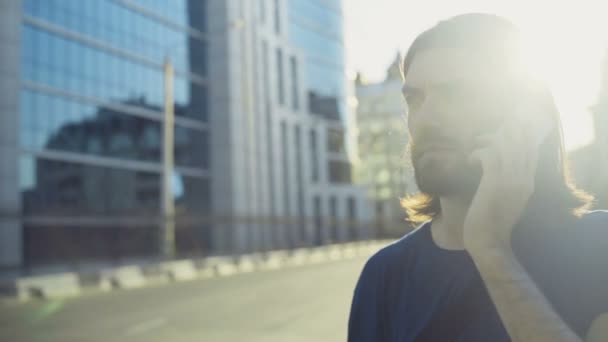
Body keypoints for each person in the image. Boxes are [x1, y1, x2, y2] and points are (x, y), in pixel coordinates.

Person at [348, 13, 608, 342]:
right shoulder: (384, 276)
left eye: (456, 94)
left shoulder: (598, 245)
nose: (425, 118)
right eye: (415, 99)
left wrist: (490, 249)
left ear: (529, 121)